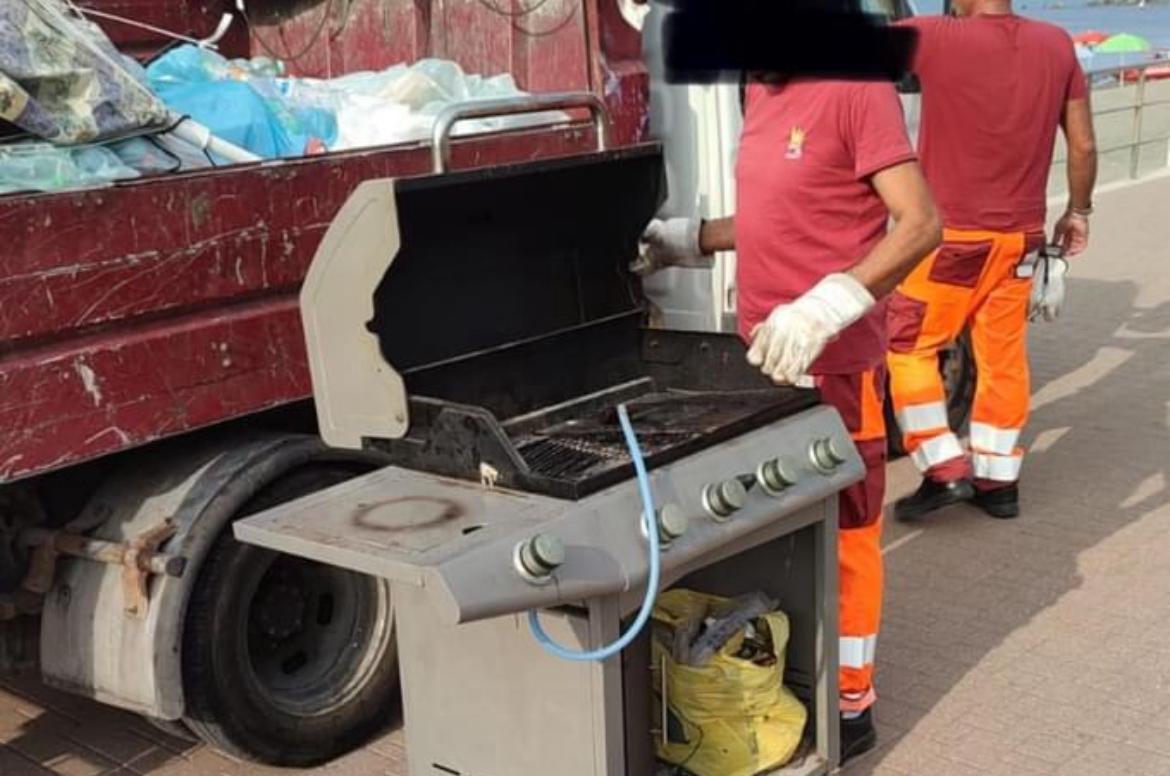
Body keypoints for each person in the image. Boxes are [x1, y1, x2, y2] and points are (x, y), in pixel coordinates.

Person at [637, 74, 941, 763]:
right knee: (770, 523)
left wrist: (827, 306)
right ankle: (788, 667)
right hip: (762, 355)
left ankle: (852, 702)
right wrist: (692, 239)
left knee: (849, 534)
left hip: (835, 360)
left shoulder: (857, 90)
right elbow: (789, 210)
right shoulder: (762, 93)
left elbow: (921, 222)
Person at [886, 0, 1098, 522]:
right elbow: (1085, 146)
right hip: (1021, 240)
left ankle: (942, 466)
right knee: (1002, 358)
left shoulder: (932, 35)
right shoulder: (1056, 43)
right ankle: (998, 481)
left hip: (948, 239)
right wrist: (1078, 211)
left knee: (909, 347)